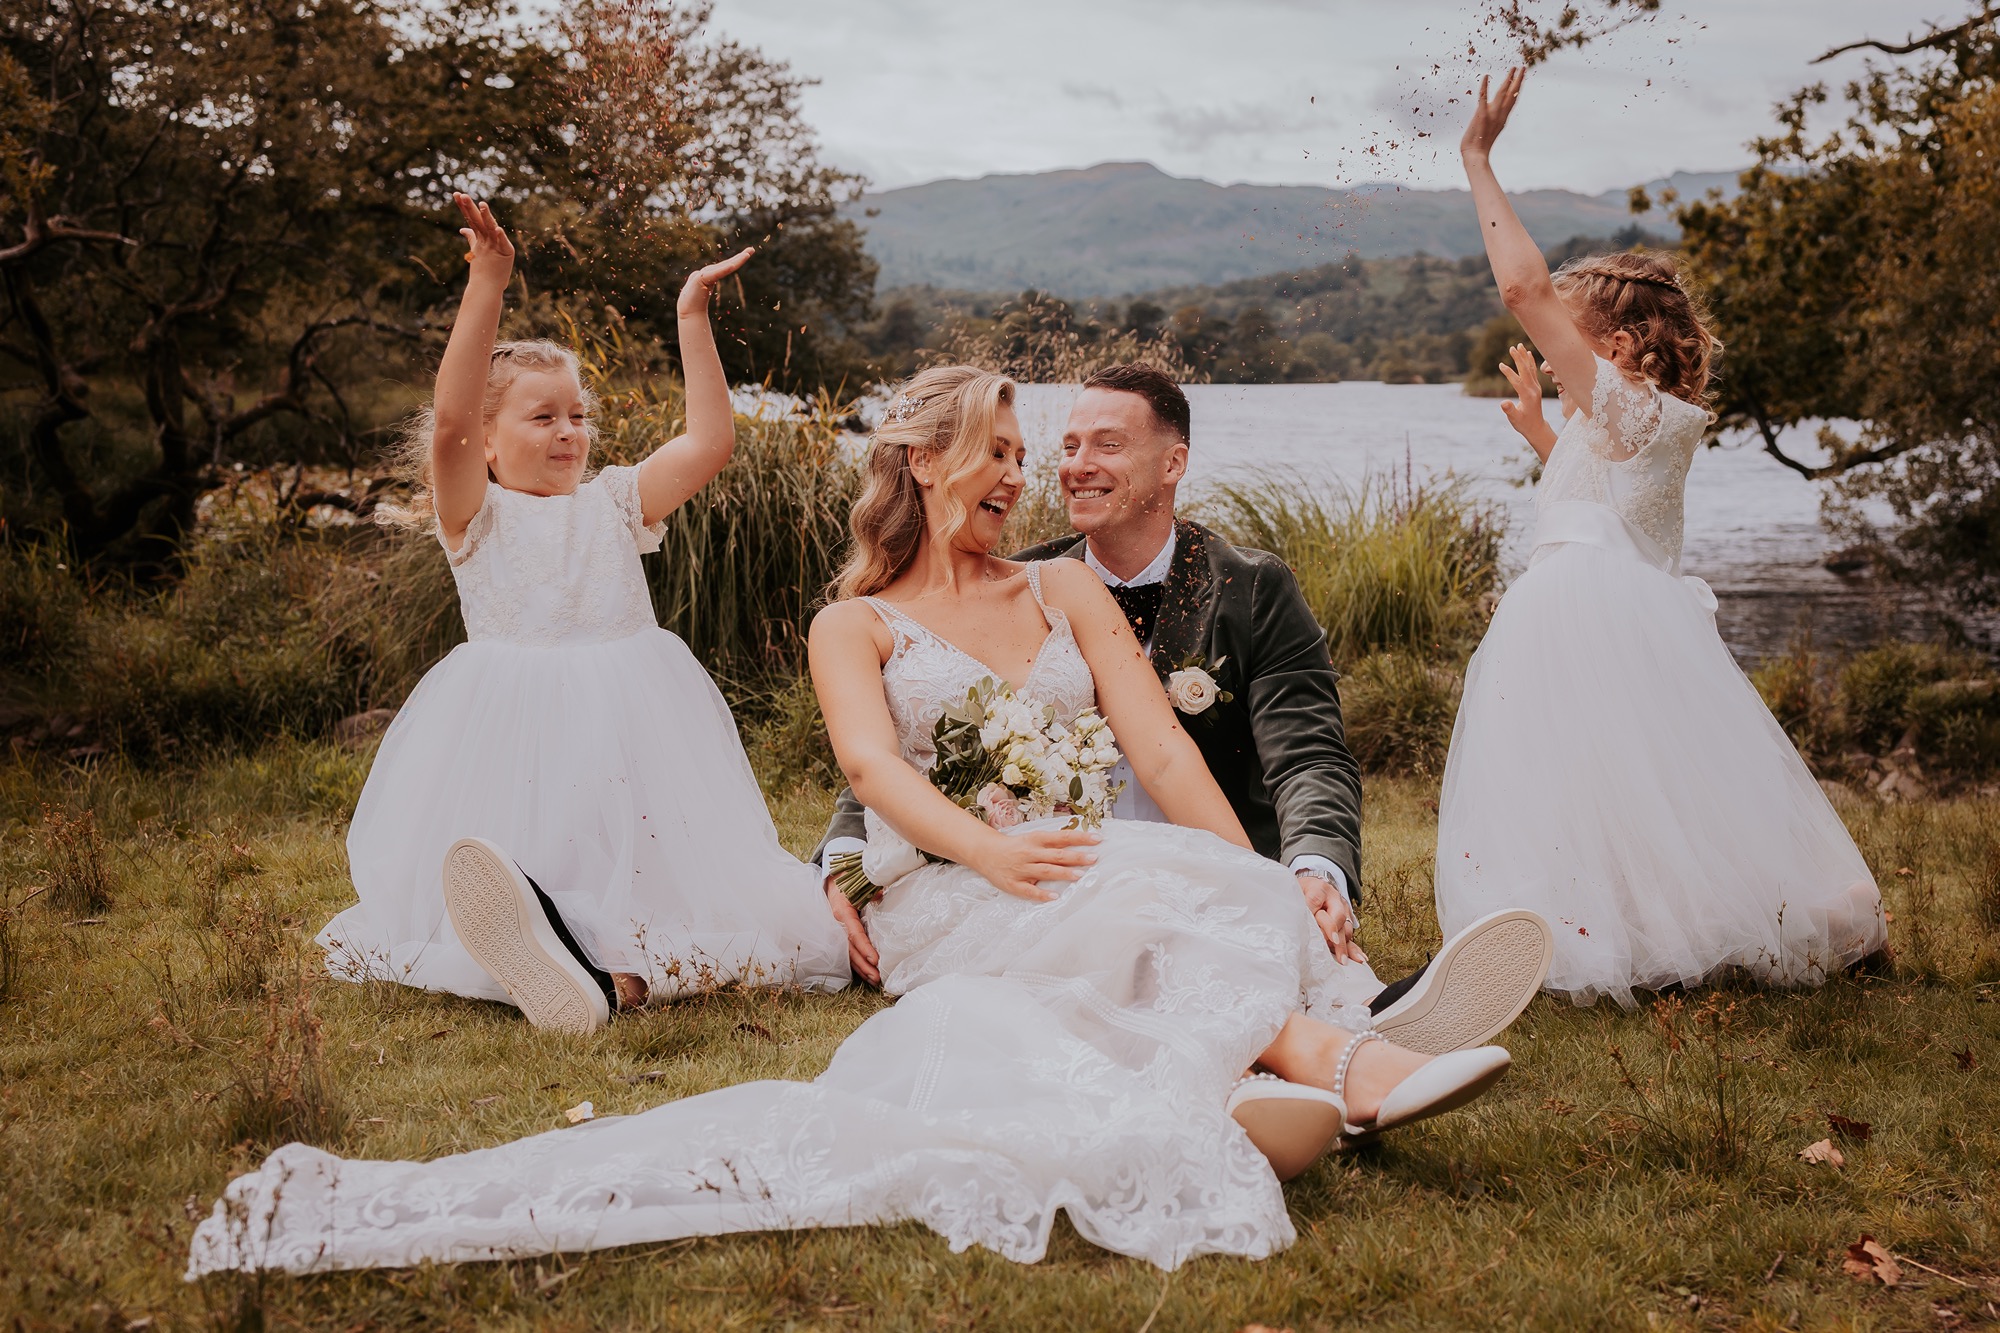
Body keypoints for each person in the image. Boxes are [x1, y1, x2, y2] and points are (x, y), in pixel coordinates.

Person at [188, 365, 1512, 1278]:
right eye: (998, 450)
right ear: (928, 464)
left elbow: (1158, 744)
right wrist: (986, 847)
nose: (1020, 474)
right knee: (1102, 905)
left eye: (1021, 452)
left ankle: (1253, 1078)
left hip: (1077, 854)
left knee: (1175, 888)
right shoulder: (852, 622)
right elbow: (876, 775)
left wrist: (1264, 878)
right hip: (948, 888)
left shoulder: (1067, 593)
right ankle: (1341, 1063)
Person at [813, 363, 1553, 1057]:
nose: (1061, 467)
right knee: (1134, 919)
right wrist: (846, 869)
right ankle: (1355, 1052)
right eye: (1065, 446)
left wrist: (1296, 878)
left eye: (1106, 444)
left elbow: (1294, 754)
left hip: (1176, 852)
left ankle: (1355, 1021)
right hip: (1032, 870)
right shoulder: (959, 594)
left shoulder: (1241, 587)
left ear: (1173, 464)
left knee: (1181, 908)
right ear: (925, 461)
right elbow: (901, 751)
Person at [315, 194, 849, 1033]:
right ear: (489, 442)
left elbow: (709, 444)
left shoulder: (615, 500)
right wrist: (488, 281)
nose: (570, 433)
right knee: (539, 848)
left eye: (578, 416)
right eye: (543, 417)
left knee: (650, 876)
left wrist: (691, 318)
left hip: (630, 722)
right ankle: (542, 934)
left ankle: (607, 972)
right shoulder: (473, 515)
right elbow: (449, 418)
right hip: (509, 728)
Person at [1437, 70, 1887, 1006]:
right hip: (1604, 605)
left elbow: (1520, 285)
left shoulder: (1630, 407)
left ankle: (1640, 935)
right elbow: (1609, 498)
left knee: (1601, 783)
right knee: (1620, 789)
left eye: (1572, 335)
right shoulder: (1638, 422)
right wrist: (1540, 436)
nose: (1556, 350)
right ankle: (1634, 925)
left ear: (1611, 343)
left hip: (1584, 612)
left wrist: (1477, 159)